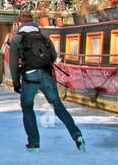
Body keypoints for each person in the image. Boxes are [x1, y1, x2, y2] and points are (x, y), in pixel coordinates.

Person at [7, 11, 84, 152]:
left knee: (27, 107)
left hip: (30, 76)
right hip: (46, 74)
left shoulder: (17, 39)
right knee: (57, 105)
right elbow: (53, 56)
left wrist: (16, 82)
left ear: (19, 23)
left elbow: (13, 63)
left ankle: (34, 142)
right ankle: (76, 134)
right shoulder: (43, 37)